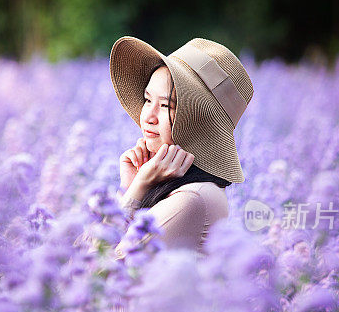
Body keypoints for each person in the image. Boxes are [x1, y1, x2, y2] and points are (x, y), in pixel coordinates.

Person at [108, 36, 254, 257]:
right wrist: (129, 186)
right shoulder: (176, 188)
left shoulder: (190, 199)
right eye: (148, 100)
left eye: (166, 105)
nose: (148, 117)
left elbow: (97, 277)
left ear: (198, 121)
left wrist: (136, 189)